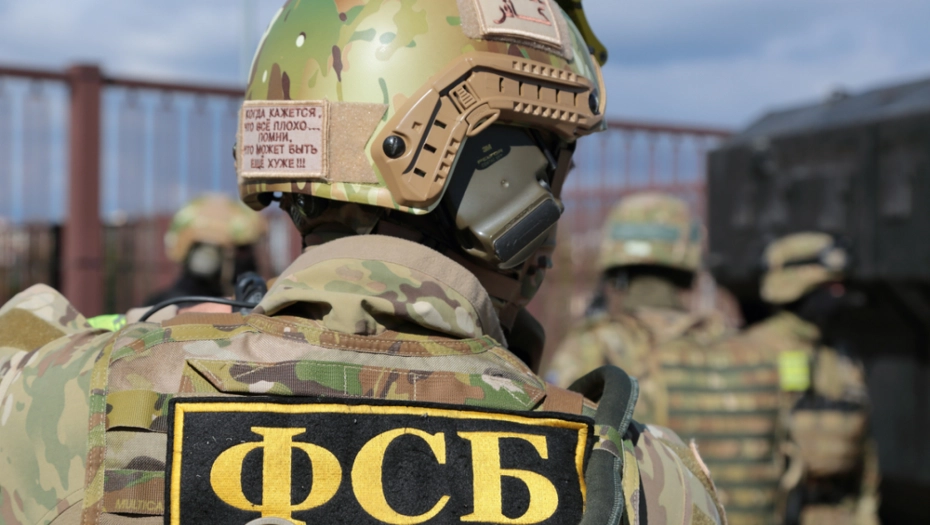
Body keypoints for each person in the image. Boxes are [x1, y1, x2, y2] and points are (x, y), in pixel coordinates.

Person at [0, 1, 725, 524]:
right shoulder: (642, 478)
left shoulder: (67, 399)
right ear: (504, 185)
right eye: (555, 164)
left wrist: (133, 336)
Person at [546, 192, 789, 524]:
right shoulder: (753, 351)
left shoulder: (594, 346)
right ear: (690, 268)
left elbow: (554, 452)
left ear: (615, 268)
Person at [744, 232, 879, 525]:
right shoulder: (751, 352)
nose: (838, 294)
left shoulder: (841, 358)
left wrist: (866, 513)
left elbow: (865, 454)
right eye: (828, 287)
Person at [143, 193, 267, 307]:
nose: (251, 259)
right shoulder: (168, 309)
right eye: (242, 250)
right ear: (207, 255)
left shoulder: (159, 304)